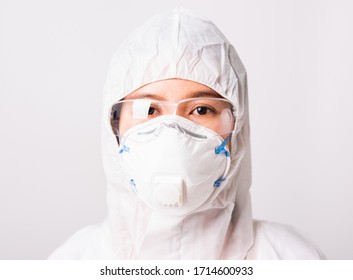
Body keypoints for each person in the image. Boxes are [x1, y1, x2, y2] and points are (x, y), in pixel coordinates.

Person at [49, 8, 324, 259]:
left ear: (237, 129)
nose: (172, 132)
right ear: (114, 126)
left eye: (201, 109)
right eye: (149, 110)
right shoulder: (71, 262)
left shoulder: (292, 259)